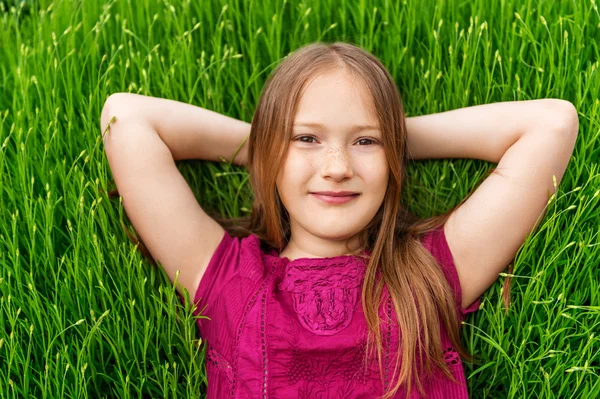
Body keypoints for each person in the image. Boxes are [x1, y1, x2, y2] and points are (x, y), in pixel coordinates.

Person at [99, 41, 578, 399]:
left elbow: (552, 125)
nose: (337, 166)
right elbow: (126, 119)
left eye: (364, 143)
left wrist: (391, 134)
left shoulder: (431, 274)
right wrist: (269, 145)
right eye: (306, 139)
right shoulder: (228, 281)